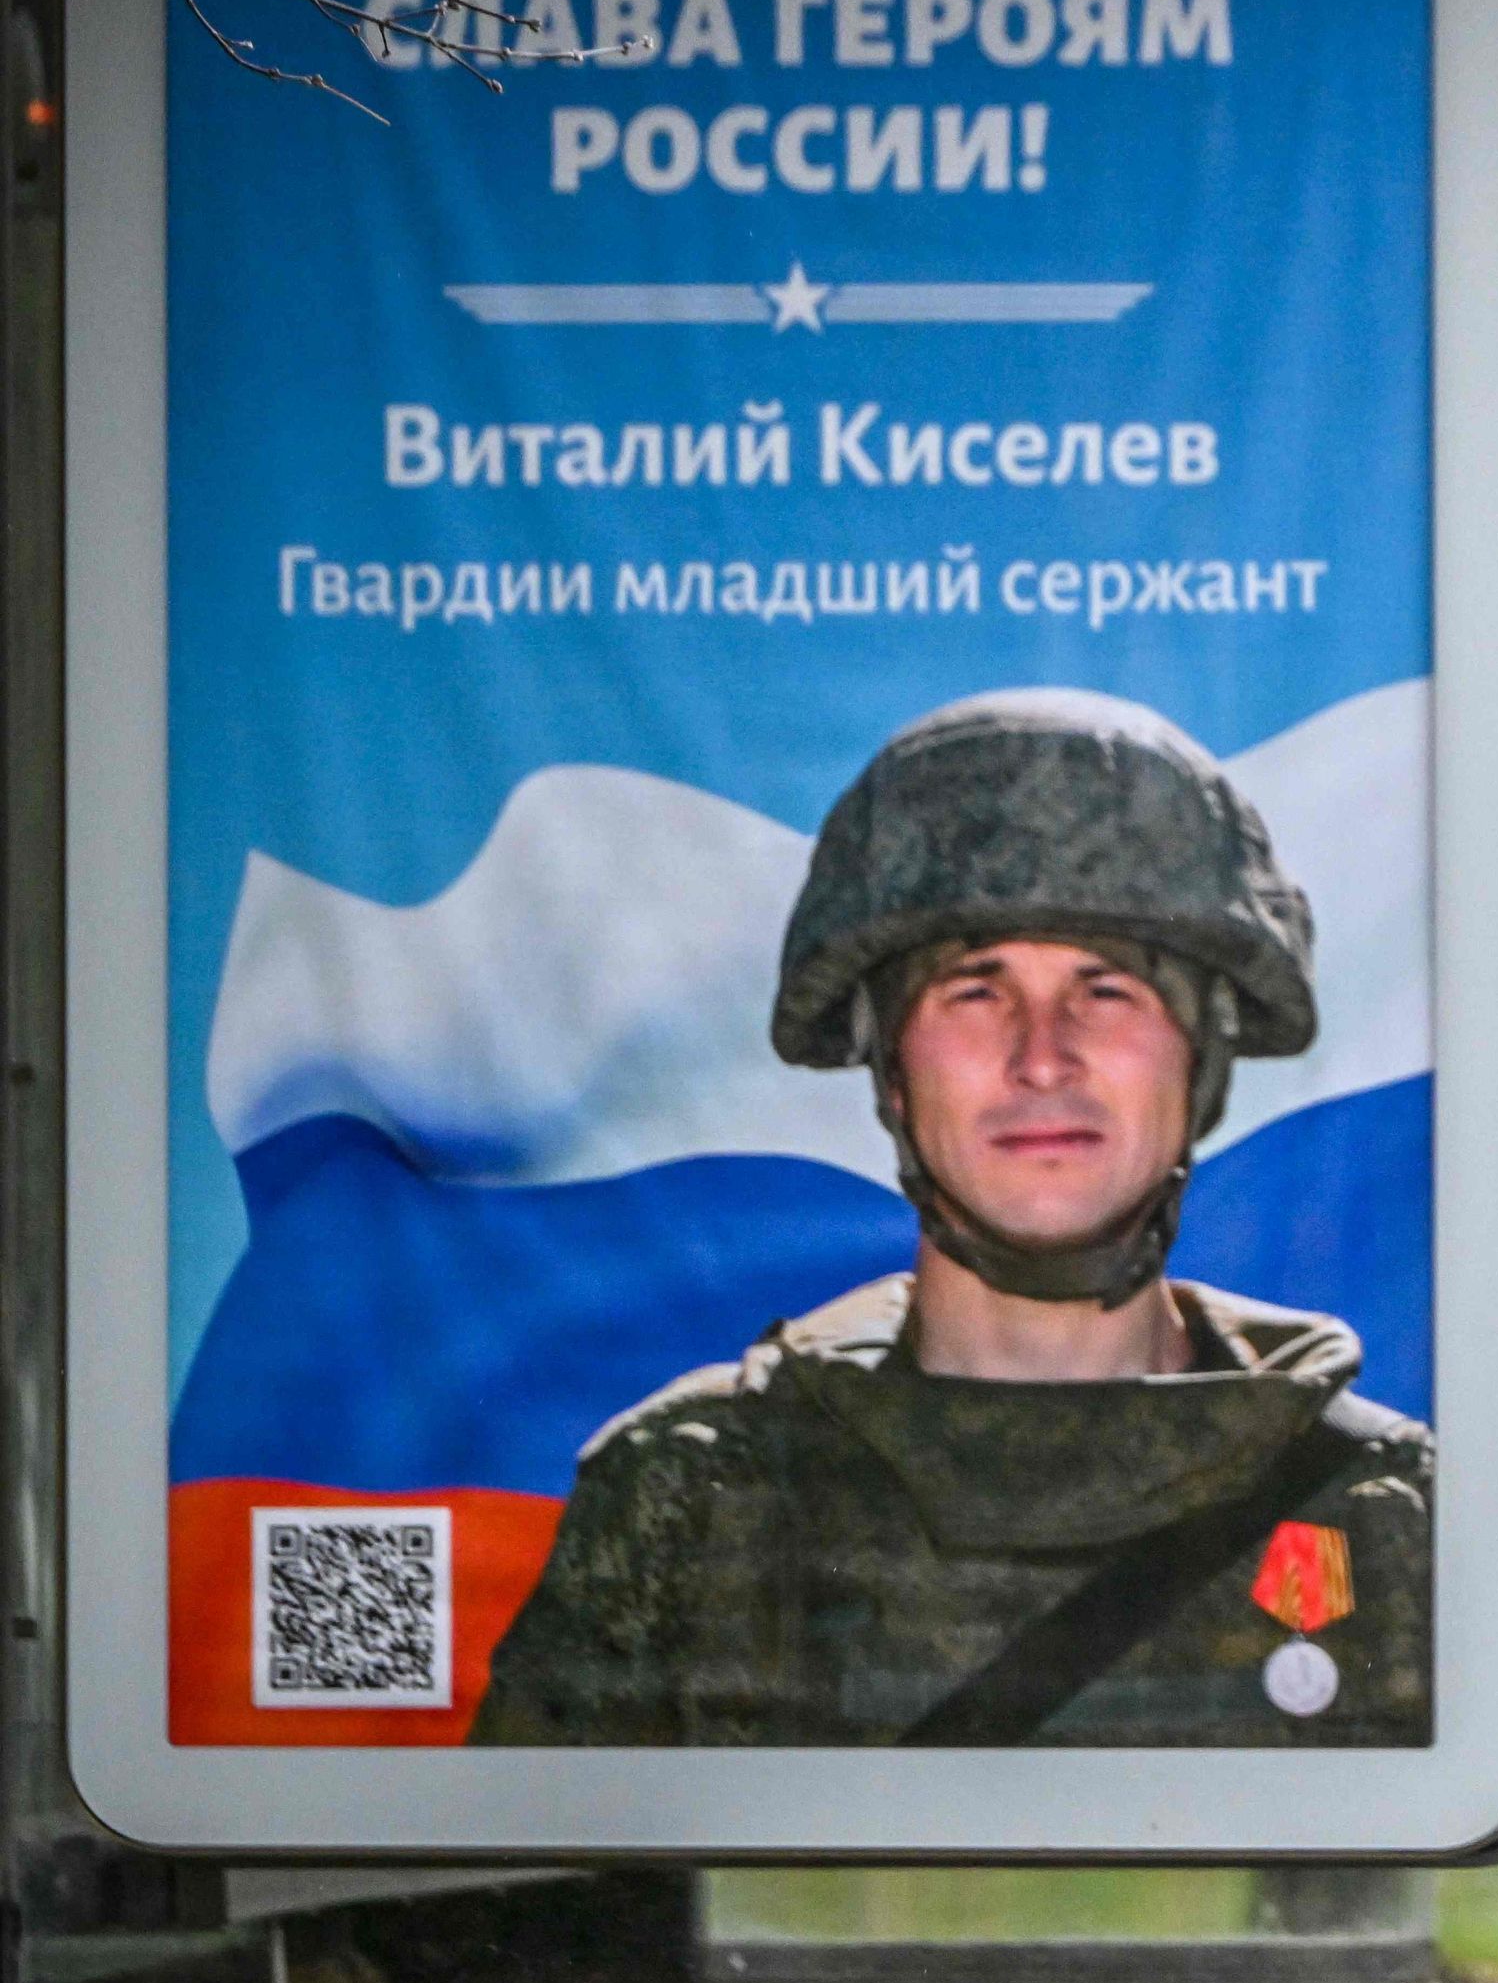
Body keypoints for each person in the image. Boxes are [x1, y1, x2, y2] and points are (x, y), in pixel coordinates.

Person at [471, 690, 1433, 1750]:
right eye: (976, 992)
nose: (1041, 1057)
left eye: (1104, 990)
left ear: (1198, 1063)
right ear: (891, 1071)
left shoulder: (1379, 1512)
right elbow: (532, 1909)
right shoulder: (689, 1498)